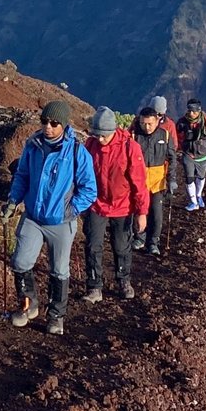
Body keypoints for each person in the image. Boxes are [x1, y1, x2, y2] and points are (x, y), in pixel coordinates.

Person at [3, 100, 97, 335]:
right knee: (20, 262)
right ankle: (28, 306)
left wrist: (71, 210)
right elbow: (22, 176)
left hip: (61, 222)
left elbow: (89, 189)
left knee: (59, 271)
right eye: (44, 121)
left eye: (54, 123)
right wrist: (13, 201)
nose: (48, 127)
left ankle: (56, 317)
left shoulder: (77, 151)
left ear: (64, 125)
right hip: (33, 217)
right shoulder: (32, 145)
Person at [82, 108, 148, 302]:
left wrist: (141, 212)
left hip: (122, 205)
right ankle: (94, 286)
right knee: (93, 245)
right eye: (97, 135)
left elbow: (139, 182)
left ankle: (124, 281)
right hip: (96, 204)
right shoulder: (90, 145)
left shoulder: (130, 147)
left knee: (121, 246)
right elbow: (82, 174)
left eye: (104, 135)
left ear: (113, 130)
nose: (100, 139)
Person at [131, 104, 176, 255]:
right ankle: (139, 238)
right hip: (139, 181)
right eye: (143, 123)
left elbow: (172, 158)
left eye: (150, 123)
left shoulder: (165, 135)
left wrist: (172, 179)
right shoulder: (134, 136)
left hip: (158, 182)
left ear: (157, 121)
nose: (147, 127)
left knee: (156, 213)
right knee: (139, 211)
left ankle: (153, 242)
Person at [177, 97, 206, 211]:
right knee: (189, 178)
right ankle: (193, 202)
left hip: (202, 154)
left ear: (199, 111)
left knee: (201, 177)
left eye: (194, 111)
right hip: (188, 153)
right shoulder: (182, 122)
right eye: (189, 111)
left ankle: (198, 195)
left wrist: (205, 138)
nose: (191, 113)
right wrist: (181, 144)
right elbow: (177, 134)